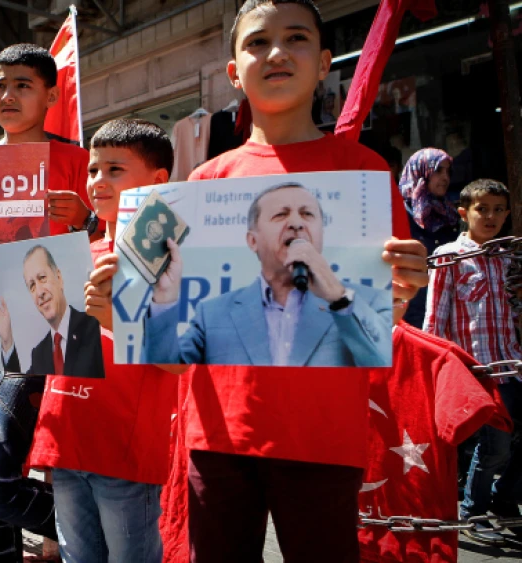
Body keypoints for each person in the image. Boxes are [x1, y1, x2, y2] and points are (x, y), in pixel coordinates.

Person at [84, 2, 428, 560]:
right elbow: (172, 356)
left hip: (323, 439)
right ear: (232, 72)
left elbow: (378, 328)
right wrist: (115, 316)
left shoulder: (364, 172)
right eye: (257, 42)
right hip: (217, 441)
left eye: (295, 39)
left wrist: (404, 290)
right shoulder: (203, 182)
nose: (276, 53)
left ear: (323, 63)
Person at [0, 43, 99, 562]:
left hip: (41, 335)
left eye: (22, 85)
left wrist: (87, 218)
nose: (7, 95)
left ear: (50, 95)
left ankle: (90, 524)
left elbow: (110, 241)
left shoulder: (78, 162)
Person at [26, 118, 181, 561]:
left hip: (124, 457)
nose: (97, 182)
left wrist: (114, 320)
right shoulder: (77, 252)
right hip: (68, 444)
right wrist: (3, 320)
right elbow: (48, 348)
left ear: (158, 181)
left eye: (114, 170)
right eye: (93, 170)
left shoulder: (172, 256)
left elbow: (180, 361)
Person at [142, 182, 393, 368]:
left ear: (321, 235)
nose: (296, 223)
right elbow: (167, 367)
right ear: (253, 241)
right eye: (281, 214)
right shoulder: (214, 314)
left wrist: (338, 297)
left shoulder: (366, 302)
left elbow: (381, 364)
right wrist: (164, 297)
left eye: (307, 214)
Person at [423, 179, 522, 545]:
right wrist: (436, 366)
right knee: (496, 444)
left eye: (499, 209)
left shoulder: (509, 256)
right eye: (483, 209)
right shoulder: (450, 255)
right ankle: (474, 510)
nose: (492, 216)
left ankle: (505, 501)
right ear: (464, 213)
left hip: (512, 365)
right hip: (476, 367)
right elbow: (435, 316)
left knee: (512, 442)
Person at [0, 244, 105, 378]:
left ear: (59, 278)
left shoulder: (95, 326)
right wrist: (7, 340)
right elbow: (20, 391)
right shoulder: (38, 354)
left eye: (42, 278)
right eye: (32, 286)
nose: (39, 292)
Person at [399, 148, 458, 328]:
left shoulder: (451, 214)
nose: (445, 178)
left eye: (448, 171)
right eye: (438, 170)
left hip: (446, 309)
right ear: (421, 171)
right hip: (411, 308)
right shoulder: (399, 213)